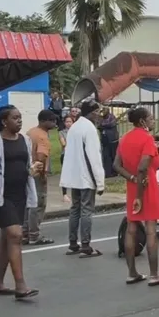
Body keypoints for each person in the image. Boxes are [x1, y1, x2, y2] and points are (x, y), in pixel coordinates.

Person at [0, 106, 40, 300]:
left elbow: (25, 164)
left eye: (20, 118)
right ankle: (21, 286)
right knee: (15, 235)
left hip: (20, 194)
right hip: (1, 195)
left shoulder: (25, 140)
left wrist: (33, 169)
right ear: (4, 121)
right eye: (15, 118)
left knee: (6, 239)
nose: (19, 121)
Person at [113, 107, 159, 286]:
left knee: (131, 228)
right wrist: (139, 190)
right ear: (143, 121)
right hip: (146, 187)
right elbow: (143, 166)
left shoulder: (125, 139)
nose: (154, 121)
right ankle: (154, 274)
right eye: (151, 118)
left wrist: (131, 179)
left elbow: (116, 165)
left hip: (132, 187)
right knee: (151, 230)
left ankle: (132, 272)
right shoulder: (147, 139)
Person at [59, 100, 105, 257]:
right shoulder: (89, 129)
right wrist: (100, 183)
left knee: (75, 209)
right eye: (97, 112)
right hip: (86, 177)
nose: (99, 115)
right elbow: (94, 157)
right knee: (86, 210)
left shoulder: (74, 127)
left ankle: (73, 243)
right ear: (91, 112)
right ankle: (86, 244)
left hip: (74, 176)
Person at [24, 110, 57, 245]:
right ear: (44, 121)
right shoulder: (43, 137)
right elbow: (41, 157)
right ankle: (34, 235)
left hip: (28, 172)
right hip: (37, 173)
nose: (54, 123)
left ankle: (25, 233)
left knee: (29, 203)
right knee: (38, 204)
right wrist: (43, 175)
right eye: (52, 121)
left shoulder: (30, 132)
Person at [100, 108, 119, 178]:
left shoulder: (112, 117)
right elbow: (99, 125)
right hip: (105, 140)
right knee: (106, 157)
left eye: (104, 110)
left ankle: (115, 172)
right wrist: (103, 126)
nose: (103, 112)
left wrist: (103, 126)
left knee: (113, 156)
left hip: (113, 139)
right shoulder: (100, 118)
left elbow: (111, 124)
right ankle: (107, 173)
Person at [59, 115, 73, 203]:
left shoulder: (76, 131)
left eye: (70, 122)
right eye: (67, 122)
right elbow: (63, 143)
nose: (68, 123)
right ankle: (64, 194)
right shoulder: (61, 132)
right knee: (65, 174)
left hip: (74, 155)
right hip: (65, 155)